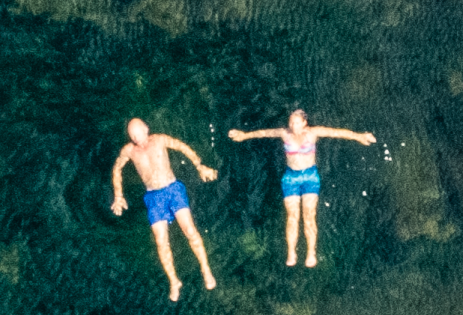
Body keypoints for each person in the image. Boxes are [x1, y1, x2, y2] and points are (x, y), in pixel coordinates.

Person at [230, 107, 380, 268]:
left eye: (296, 122)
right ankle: (291, 252)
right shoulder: (284, 133)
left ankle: (310, 253)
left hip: (310, 177)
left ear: (304, 123)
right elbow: (264, 133)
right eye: (291, 122)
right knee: (292, 216)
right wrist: (244, 135)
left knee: (309, 215)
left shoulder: (313, 133)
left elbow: (336, 133)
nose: (293, 125)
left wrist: (359, 136)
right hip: (290, 178)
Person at [107, 117, 219, 300]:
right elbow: (117, 168)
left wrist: (200, 167)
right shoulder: (129, 150)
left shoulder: (160, 140)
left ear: (146, 129)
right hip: (153, 197)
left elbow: (183, 147)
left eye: (139, 133)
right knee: (161, 241)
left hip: (173, 189)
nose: (137, 138)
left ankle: (206, 269)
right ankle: (174, 281)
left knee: (190, 230)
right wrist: (118, 195)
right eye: (132, 135)